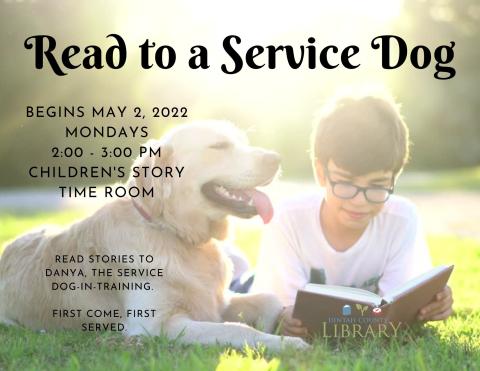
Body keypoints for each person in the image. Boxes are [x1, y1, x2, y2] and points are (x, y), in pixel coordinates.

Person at [248, 92, 454, 337]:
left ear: (394, 178)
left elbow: (396, 312)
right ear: (321, 173)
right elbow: (286, 313)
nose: (359, 202)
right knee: (235, 282)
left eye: (377, 185)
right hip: (250, 284)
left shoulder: (401, 218)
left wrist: (431, 303)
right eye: (346, 182)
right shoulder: (289, 217)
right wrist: (285, 316)